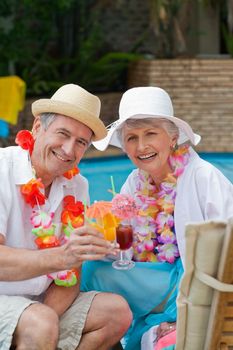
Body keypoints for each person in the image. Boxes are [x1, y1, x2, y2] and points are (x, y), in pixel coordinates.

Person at [81, 86, 233, 350]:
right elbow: (124, 245)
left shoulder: (203, 177)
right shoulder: (133, 182)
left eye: (151, 134)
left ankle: (171, 327)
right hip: (154, 281)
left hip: (198, 285)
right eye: (131, 138)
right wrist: (103, 243)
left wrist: (191, 318)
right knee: (86, 269)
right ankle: (87, 331)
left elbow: (228, 251)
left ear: (172, 138)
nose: (141, 147)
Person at [0, 83, 133, 350]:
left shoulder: (77, 185)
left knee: (116, 312)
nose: (69, 150)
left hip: (40, 303)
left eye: (81, 142)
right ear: (38, 128)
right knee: (40, 322)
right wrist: (62, 257)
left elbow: (71, 274)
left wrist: (46, 315)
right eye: (63, 134)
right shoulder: (3, 169)